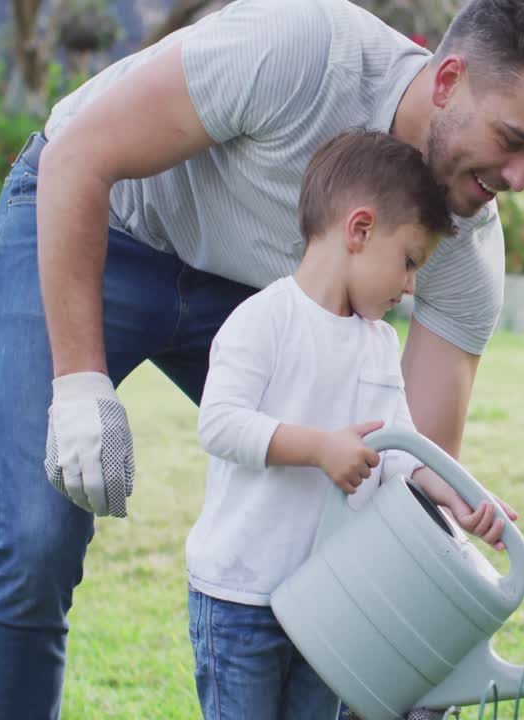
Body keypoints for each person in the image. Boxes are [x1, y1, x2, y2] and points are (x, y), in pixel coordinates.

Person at [0, 0, 524, 717]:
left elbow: (398, 487)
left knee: (341, 504)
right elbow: (79, 156)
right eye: (512, 140)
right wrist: (81, 385)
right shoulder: (302, 51)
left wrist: (418, 652)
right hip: (101, 215)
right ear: (449, 79)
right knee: (38, 536)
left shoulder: (462, 254)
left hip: (250, 295)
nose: (521, 180)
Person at [188, 127, 460, 720]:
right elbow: (220, 423)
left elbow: (399, 449)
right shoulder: (264, 320)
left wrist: (454, 495)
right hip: (242, 598)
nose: (410, 287)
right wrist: (318, 449)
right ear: (359, 231)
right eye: (409, 262)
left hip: (328, 599)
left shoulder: (379, 343)